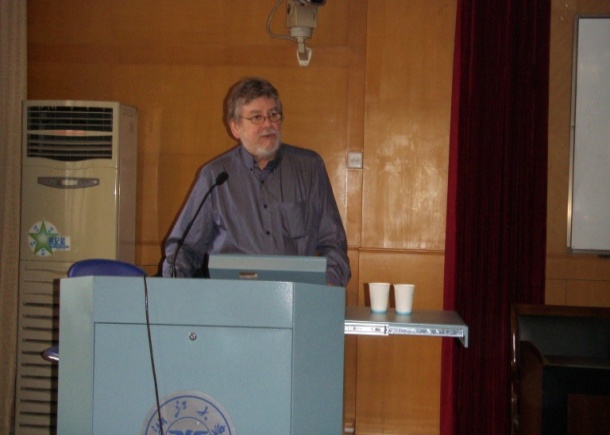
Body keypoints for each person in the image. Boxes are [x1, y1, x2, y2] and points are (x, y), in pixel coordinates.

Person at [162, 77, 351, 286]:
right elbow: (182, 250)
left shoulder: (309, 168)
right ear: (235, 127)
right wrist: (174, 291)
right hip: (232, 298)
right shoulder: (215, 176)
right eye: (256, 117)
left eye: (273, 115)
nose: (268, 124)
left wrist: (328, 285)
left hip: (295, 297)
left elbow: (334, 243)